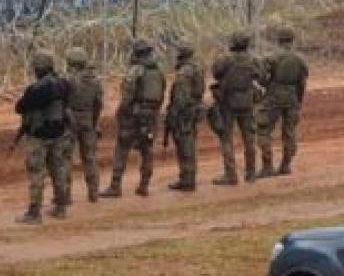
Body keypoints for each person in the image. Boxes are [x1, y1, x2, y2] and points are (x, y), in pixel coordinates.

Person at [13, 50, 72, 223]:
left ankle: (34, 212)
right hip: (59, 133)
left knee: (37, 173)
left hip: (39, 136)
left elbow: (20, 107)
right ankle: (61, 207)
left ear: (38, 68)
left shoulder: (37, 89)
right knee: (58, 170)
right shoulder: (64, 84)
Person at [102, 40, 166, 198]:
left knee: (122, 148)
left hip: (134, 114)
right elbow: (161, 94)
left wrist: (123, 113)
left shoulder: (135, 71)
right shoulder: (158, 72)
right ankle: (144, 185)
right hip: (151, 115)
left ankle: (115, 186)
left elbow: (127, 96)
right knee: (147, 149)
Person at [211, 31, 263, 185]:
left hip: (228, 102)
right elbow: (260, 75)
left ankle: (231, 175)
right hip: (247, 102)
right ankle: (251, 173)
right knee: (249, 138)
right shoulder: (253, 59)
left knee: (226, 138)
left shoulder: (225, 59)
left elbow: (216, 73)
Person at [258, 25, 309, 178]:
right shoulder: (300, 59)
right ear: (292, 40)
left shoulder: (271, 57)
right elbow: (302, 82)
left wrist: (267, 87)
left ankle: (267, 166)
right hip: (292, 95)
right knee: (289, 132)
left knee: (263, 129)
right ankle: (285, 165)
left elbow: (262, 78)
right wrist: (298, 100)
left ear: (278, 40)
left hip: (274, 95)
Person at [63, 46, 103, 203]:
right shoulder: (95, 81)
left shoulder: (69, 80)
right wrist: (94, 121)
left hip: (71, 118)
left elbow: (63, 101)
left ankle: (65, 196)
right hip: (88, 118)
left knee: (66, 158)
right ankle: (93, 193)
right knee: (90, 157)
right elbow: (99, 104)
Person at [165, 41, 205, 192]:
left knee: (185, 146)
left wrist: (174, 115)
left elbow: (181, 97)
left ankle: (187, 180)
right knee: (188, 144)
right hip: (194, 110)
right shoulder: (197, 68)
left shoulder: (184, 72)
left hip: (185, 113)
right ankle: (187, 178)